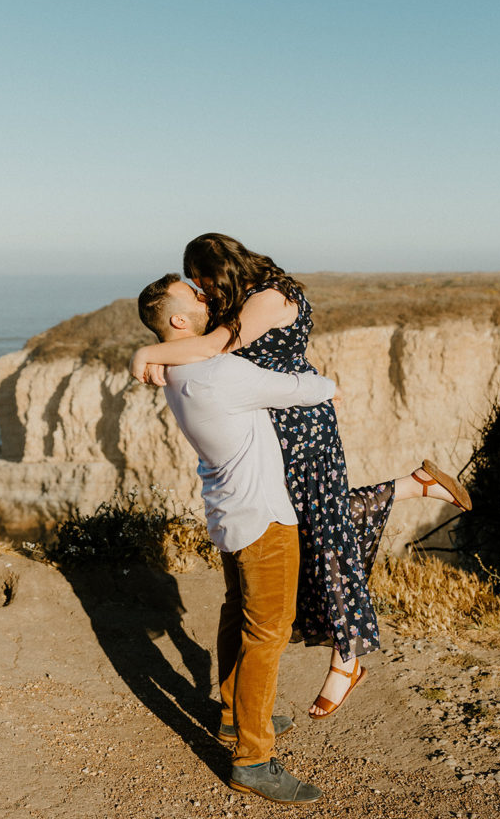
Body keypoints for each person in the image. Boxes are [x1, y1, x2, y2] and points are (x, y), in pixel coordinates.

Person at [130, 235, 472, 719]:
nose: (203, 292)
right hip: (280, 415)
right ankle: (413, 486)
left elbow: (208, 346)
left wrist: (144, 355)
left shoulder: (266, 300)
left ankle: (348, 657)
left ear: (220, 269)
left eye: (201, 280)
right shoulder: (249, 298)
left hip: (297, 421)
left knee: (324, 531)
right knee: (319, 522)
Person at [135, 272, 337, 803]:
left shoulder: (183, 374)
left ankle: (232, 714)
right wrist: (322, 377)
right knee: (267, 634)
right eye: (194, 296)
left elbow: (197, 350)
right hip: (264, 518)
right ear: (180, 321)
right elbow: (312, 389)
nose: (205, 298)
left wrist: (150, 354)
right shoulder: (222, 373)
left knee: (237, 611)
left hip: (228, 512)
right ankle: (253, 758)